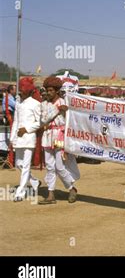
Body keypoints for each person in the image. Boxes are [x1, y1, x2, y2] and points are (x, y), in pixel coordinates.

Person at [38, 76, 78, 204]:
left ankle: (71, 188)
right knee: (49, 166)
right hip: (47, 135)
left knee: (60, 166)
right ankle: (51, 194)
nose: (48, 93)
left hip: (60, 136)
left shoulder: (63, 102)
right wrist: (57, 110)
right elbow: (44, 120)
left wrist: (66, 113)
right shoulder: (44, 104)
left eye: (50, 90)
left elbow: (70, 121)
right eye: (47, 90)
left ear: (56, 91)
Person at [10, 77, 41, 202]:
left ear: (28, 90)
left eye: (22, 89)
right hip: (18, 138)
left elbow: (40, 122)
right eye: (19, 89)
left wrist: (27, 129)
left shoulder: (36, 104)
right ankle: (34, 181)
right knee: (18, 164)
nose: (19, 92)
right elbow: (16, 121)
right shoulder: (18, 104)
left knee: (26, 165)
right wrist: (12, 138)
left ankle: (21, 192)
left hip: (29, 138)